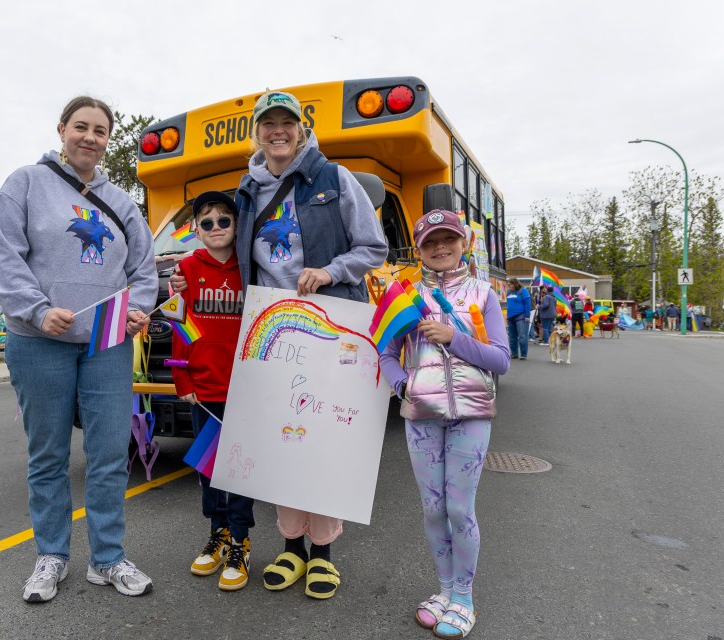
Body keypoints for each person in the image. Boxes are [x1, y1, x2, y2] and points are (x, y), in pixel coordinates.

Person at [172, 89, 388, 599]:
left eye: (286, 123)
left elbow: (373, 247)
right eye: (268, 124)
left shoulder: (335, 180)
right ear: (258, 133)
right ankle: (291, 548)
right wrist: (186, 281)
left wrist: (331, 270)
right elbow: (227, 257)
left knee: (324, 441)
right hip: (270, 333)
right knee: (284, 441)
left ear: (301, 129)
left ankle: (324, 554)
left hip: (330, 324)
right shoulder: (247, 190)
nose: (278, 132)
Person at [0, 96, 159, 603]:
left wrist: (137, 308)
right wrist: (38, 309)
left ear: (108, 140)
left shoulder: (122, 202)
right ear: (62, 130)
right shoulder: (25, 184)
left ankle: (107, 559)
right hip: (40, 342)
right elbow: (2, 255)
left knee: (107, 455)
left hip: (106, 342)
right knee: (48, 456)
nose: (90, 137)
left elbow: (143, 269)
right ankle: (51, 556)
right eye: (80, 127)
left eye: (100, 130)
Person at [380, 209, 510, 639]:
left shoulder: (482, 293)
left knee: (459, 507)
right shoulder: (404, 295)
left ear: (463, 244)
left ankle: (464, 599)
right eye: (430, 242)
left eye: (448, 239)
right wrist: (403, 386)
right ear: (418, 250)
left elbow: (501, 361)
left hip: (472, 413)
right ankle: (444, 590)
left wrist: (455, 337)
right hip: (421, 417)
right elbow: (384, 351)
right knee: (433, 508)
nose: (440, 248)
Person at [173, 191, 256, 592]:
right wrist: (182, 379)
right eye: (207, 222)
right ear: (196, 230)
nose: (216, 228)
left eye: (225, 221)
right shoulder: (186, 268)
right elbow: (180, 325)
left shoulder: (252, 268)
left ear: (237, 226)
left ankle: (240, 538)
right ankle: (218, 532)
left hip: (246, 386)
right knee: (209, 468)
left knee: (239, 469)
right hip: (203, 386)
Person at [505, 277, 531, 359]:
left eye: (511, 284)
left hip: (521, 316)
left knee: (522, 336)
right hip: (510, 317)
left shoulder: (523, 291)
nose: (509, 286)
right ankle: (514, 353)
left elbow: (527, 303)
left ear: (515, 284)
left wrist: (527, 316)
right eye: (508, 284)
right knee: (512, 337)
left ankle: (523, 354)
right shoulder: (508, 292)